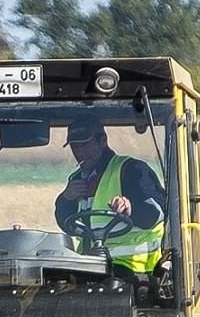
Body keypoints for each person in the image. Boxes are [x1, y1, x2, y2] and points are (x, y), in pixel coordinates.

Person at [53, 116, 168, 277]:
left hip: (137, 270)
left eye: (85, 145)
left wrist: (131, 209)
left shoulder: (132, 170)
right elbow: (68, 225)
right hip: (91, 266)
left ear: (103, 141)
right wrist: (66, 199)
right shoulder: (77, 178)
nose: (79, 152)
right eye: (75, 146)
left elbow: (156, 214)